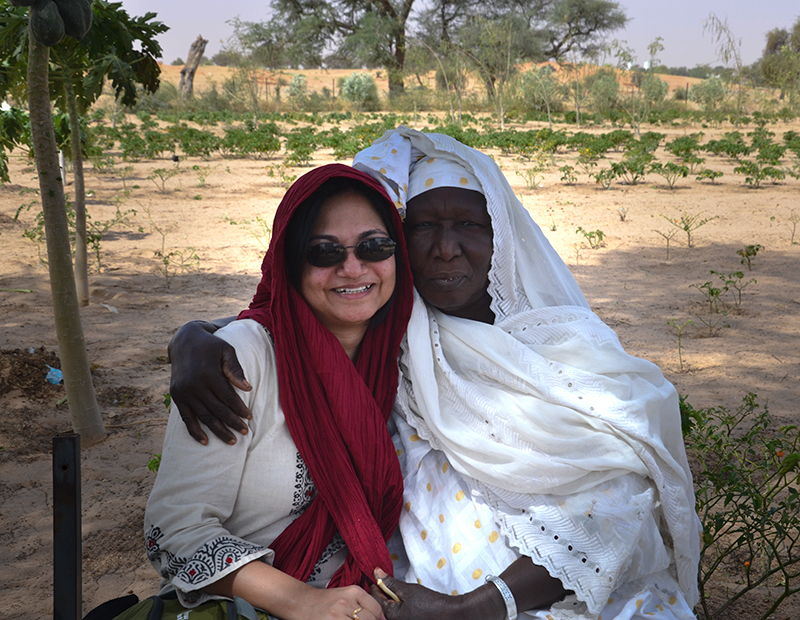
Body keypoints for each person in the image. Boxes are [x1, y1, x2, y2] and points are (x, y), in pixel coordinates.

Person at [168, 128, 701, 620]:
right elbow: (295, 318)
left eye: (469, 224)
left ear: (503, 238)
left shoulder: (565, 345)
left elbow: (617, 507)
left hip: (556, 600)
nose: (446, 248)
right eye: (423, 226)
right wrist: (195, 337)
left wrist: (474, 609)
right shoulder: (399, 334)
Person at [144, 163, 414, 620]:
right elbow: (174, 531)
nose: (353, 267)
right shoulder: (238, 360)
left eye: (374, 245)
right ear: (288, 260)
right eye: (324, 252)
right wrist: (303, 602)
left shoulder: (405, 355)